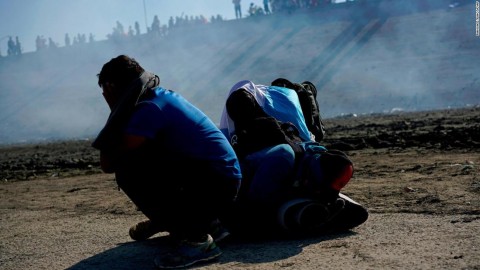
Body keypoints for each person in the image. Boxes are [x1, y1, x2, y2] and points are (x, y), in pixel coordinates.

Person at [92, 55, 242, 269]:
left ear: (111, 86)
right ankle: (202, 223)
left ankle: (197, 240)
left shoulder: (148, 109)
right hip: (220, 180)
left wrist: (114, 109)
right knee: (146, 157)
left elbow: (109, 161)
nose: (104, 95)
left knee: (128, 169)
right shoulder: (159, 97)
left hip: (216, 183)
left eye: (105, 90)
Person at [220, 80, 368, 238]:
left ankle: (296, 211)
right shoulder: (282, 152)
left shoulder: (305, 148)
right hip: (277, 172)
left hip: (280, 165)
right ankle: (299, 210)